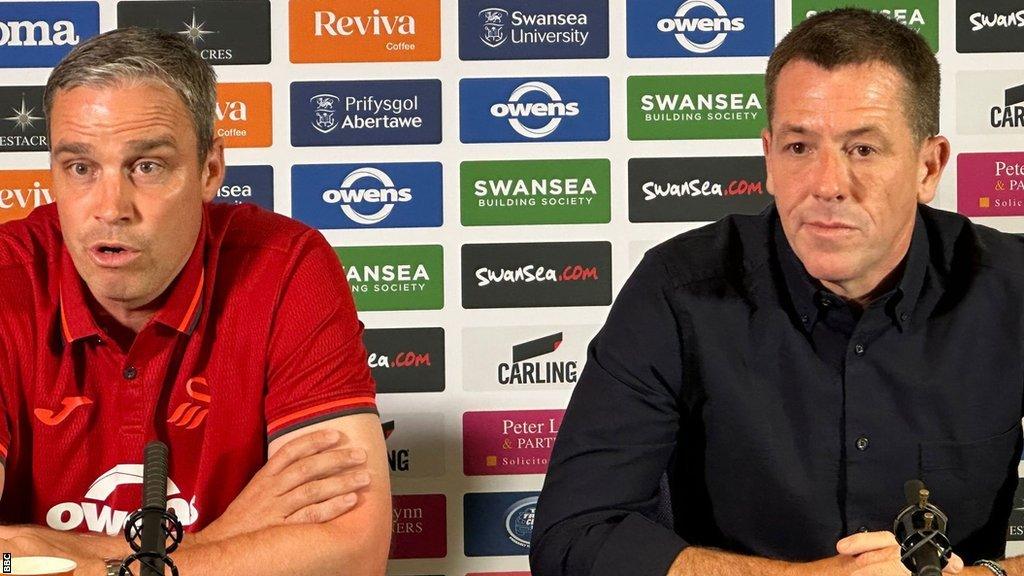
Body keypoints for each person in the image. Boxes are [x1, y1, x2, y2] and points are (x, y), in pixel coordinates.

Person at [531, 8, 1024, 576]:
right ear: (767, 157)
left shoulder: (1009, 289)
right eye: (799, 147)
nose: (827, 184)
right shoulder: (677, 291)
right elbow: (573, 540)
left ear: (928, 166)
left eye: (862, 149)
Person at [0, 28, 391, 575]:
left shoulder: (286, 266)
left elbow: (352, 552)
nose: (111, 208)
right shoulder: (7, 279)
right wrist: (229, 538)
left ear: (210, 171)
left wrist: (63, 559)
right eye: (81, 167)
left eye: (147, 166)